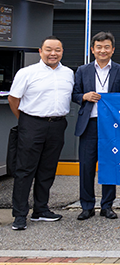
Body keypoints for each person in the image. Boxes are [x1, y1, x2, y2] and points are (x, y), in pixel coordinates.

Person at [8, 36, 74, 231]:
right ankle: (20, 214)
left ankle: (41, 210)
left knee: (47, 169)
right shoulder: (27, 73)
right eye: (48, 49)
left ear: (62, 52)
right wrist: (25, 121)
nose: (53, 53)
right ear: (40, 51)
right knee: (25, 170)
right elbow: (13, 99)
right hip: (32, 124)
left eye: (57, 50)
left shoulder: (69, 73)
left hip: (57, 125)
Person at [72, 32, 120, 221]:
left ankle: (107, 206)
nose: (103, 50)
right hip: (89, 124)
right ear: (92, 49)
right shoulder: (83, 70)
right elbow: (74, 94)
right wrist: (84, 97)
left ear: (113, 49)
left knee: (110, 166)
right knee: (86, 167)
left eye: (106, 47)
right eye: (99, 47)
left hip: (112, 126)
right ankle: (87, 206)